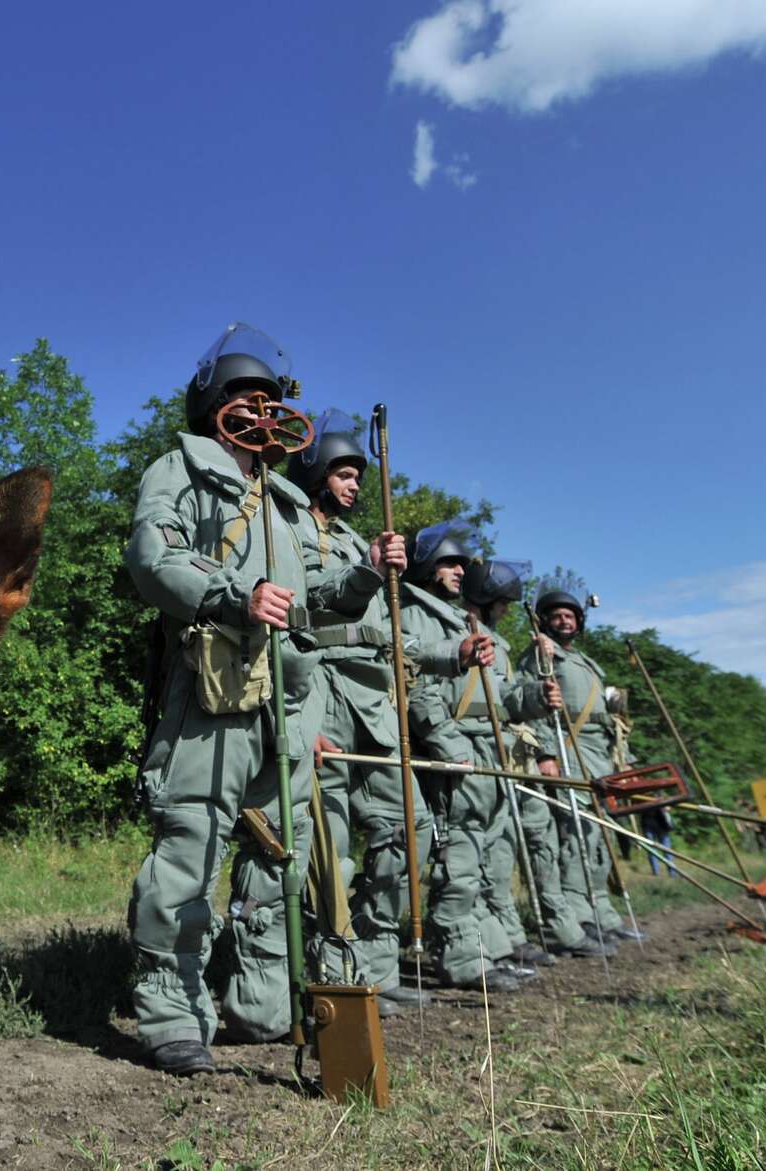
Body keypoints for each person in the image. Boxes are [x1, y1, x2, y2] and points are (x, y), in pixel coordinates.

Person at [125, 328, 402, 1075]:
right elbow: (154, 559)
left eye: (273, 399)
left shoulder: (284, 502)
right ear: (215, 402)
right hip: (213, 689)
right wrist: (233, 595)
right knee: (190, 845)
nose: (262, 408)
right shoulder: (180, 469)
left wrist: (370, 573)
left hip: (289, 703)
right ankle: (171, 1009)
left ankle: (260, 1002)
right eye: (247, 396)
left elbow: (315, 609)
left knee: (281, 859)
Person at [280, 415, 485, 1016]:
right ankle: (333, 967)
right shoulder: (291, 530)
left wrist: (456, 653)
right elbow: (314, 602)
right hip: (321, 694)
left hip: (373, 704)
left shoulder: (348, 538)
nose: (352, 485)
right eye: (343, 473)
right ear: (315, 472)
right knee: (330, 848)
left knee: (412, 829)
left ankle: (373, 954)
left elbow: (390, 637)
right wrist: (370, 567)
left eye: (356, 475)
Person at [402, 540, 558, 990]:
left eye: (461, 564)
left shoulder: (479, 631)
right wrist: (448, 746)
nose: (459, 570)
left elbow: (503, 698)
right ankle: (459, 954)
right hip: (458, 751)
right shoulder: (414, 614)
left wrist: (534, 698)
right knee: (461, 855)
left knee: (490, 855)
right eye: (450, 563)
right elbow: (420, 689)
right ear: (430, 567)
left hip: (491, 749)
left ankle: (487, 947)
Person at [523, 591, 648, 949]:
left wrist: (626, 759)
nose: (565, 622)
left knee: (600, 836)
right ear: (545, 620)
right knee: (575, 834)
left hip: (599, 752)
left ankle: (601, 912)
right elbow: (536, 701)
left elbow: (610, 717)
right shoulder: (541, 654)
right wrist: (546, 751)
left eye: (570, 616)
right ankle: (577, 914)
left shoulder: (585, 662)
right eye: (557, 616)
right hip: (569, 748)